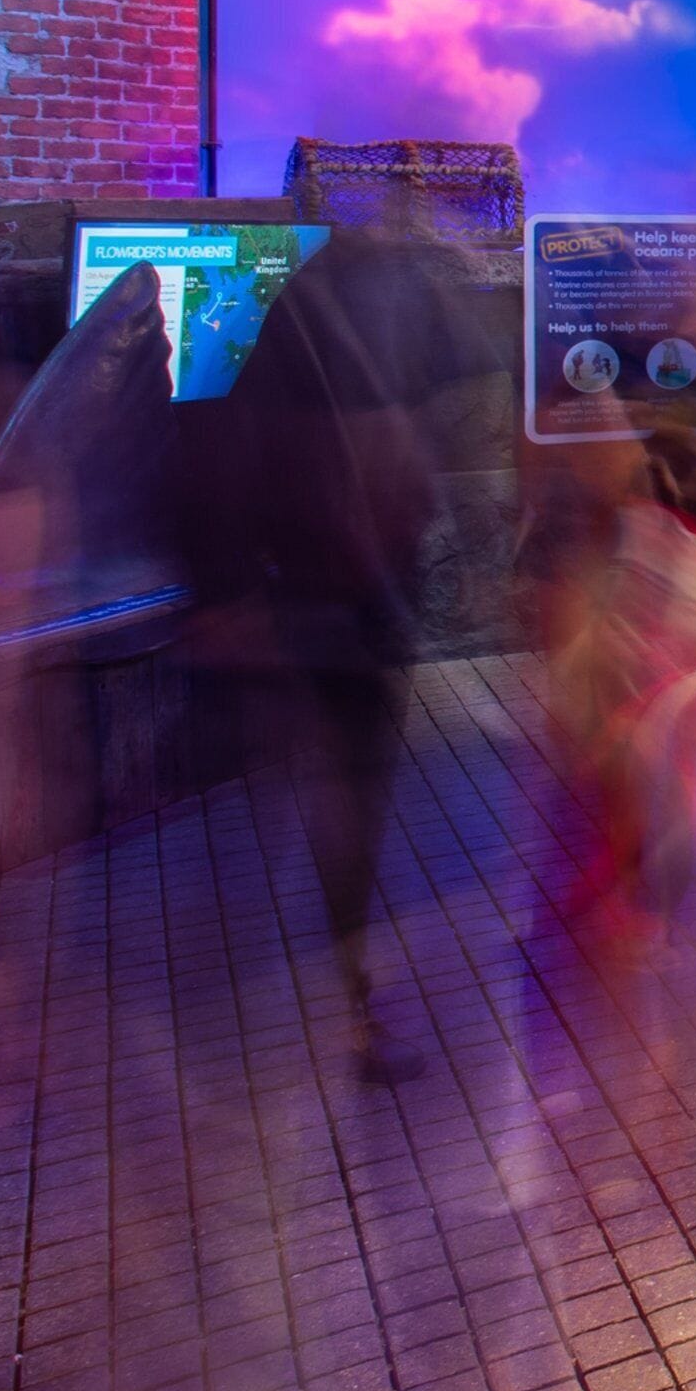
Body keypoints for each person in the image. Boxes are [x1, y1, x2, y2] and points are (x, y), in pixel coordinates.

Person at [217, 220, 494, 1084]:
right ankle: (328, 1006)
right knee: (335, 804)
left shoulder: (312, 311)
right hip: (324, 597)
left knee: (329, 803)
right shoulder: (353, 306)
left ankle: (322, 1003)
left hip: (338, 596)